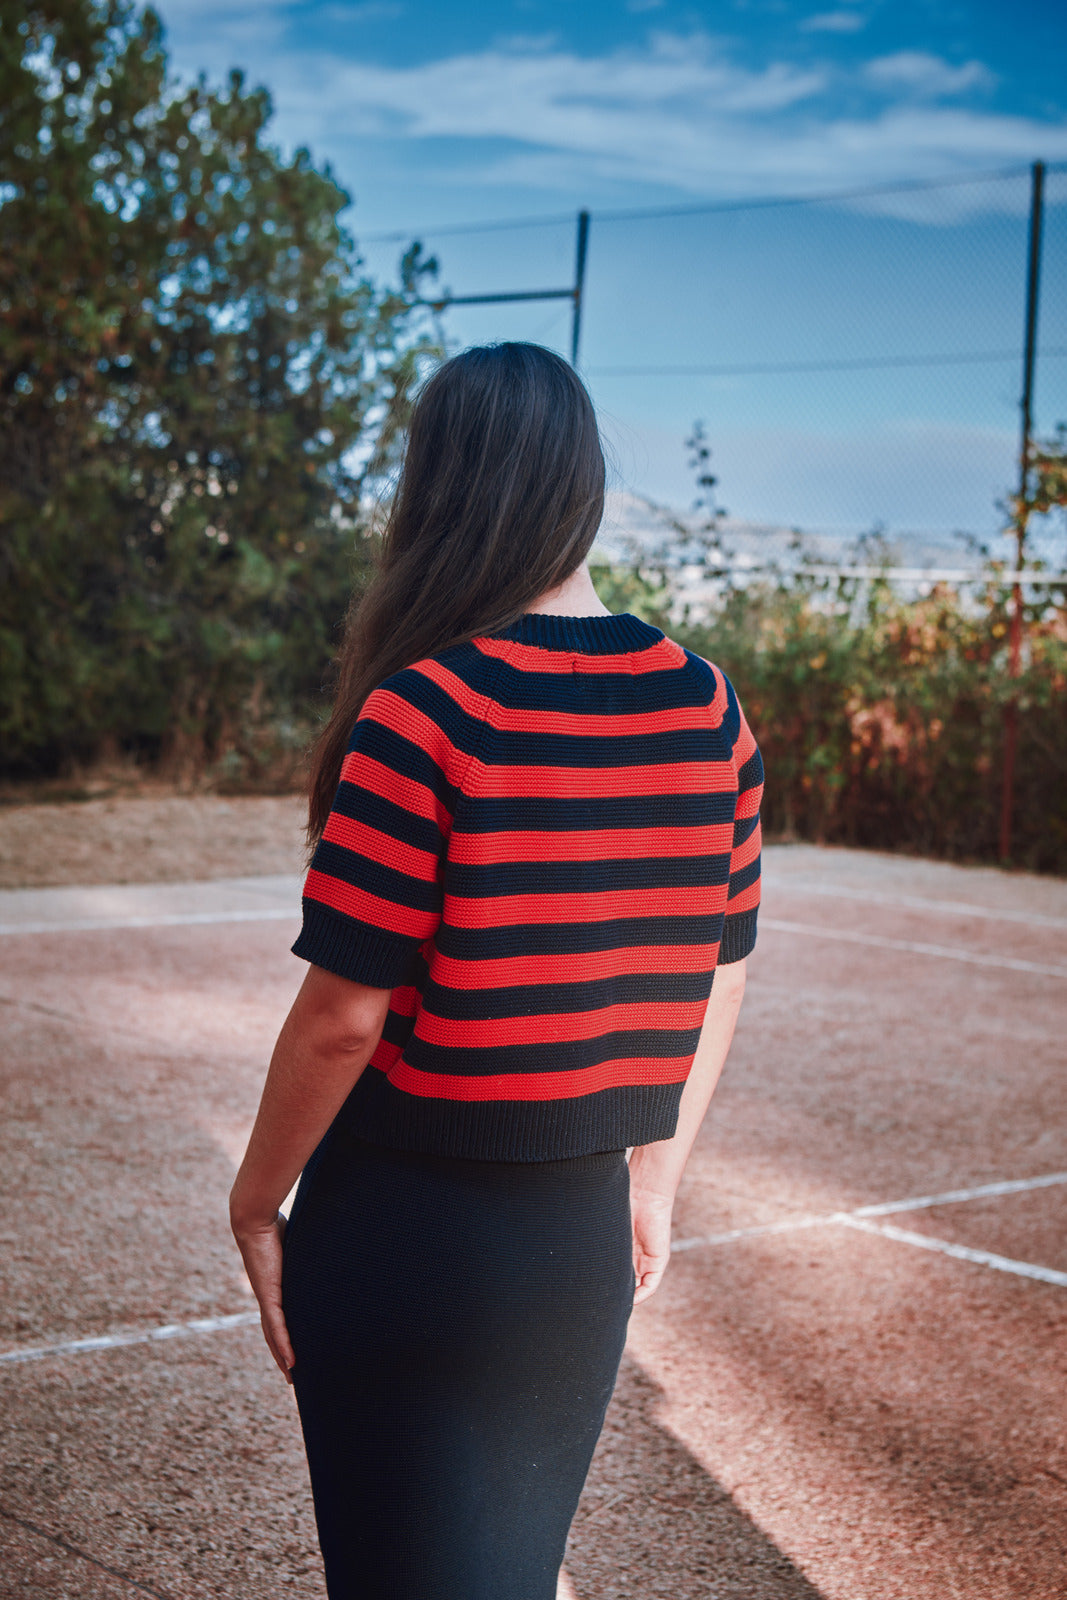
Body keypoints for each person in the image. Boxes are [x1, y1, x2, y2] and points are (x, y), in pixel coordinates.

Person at [229, 341, 763, 1600]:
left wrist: (257, 1202)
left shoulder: (425, 709)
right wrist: (653, 1182)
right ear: (577, 487)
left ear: (438, 491)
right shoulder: (705, 704)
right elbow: (719, 975)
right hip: (576, 1244)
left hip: (405, 1230)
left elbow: (341, 1020)